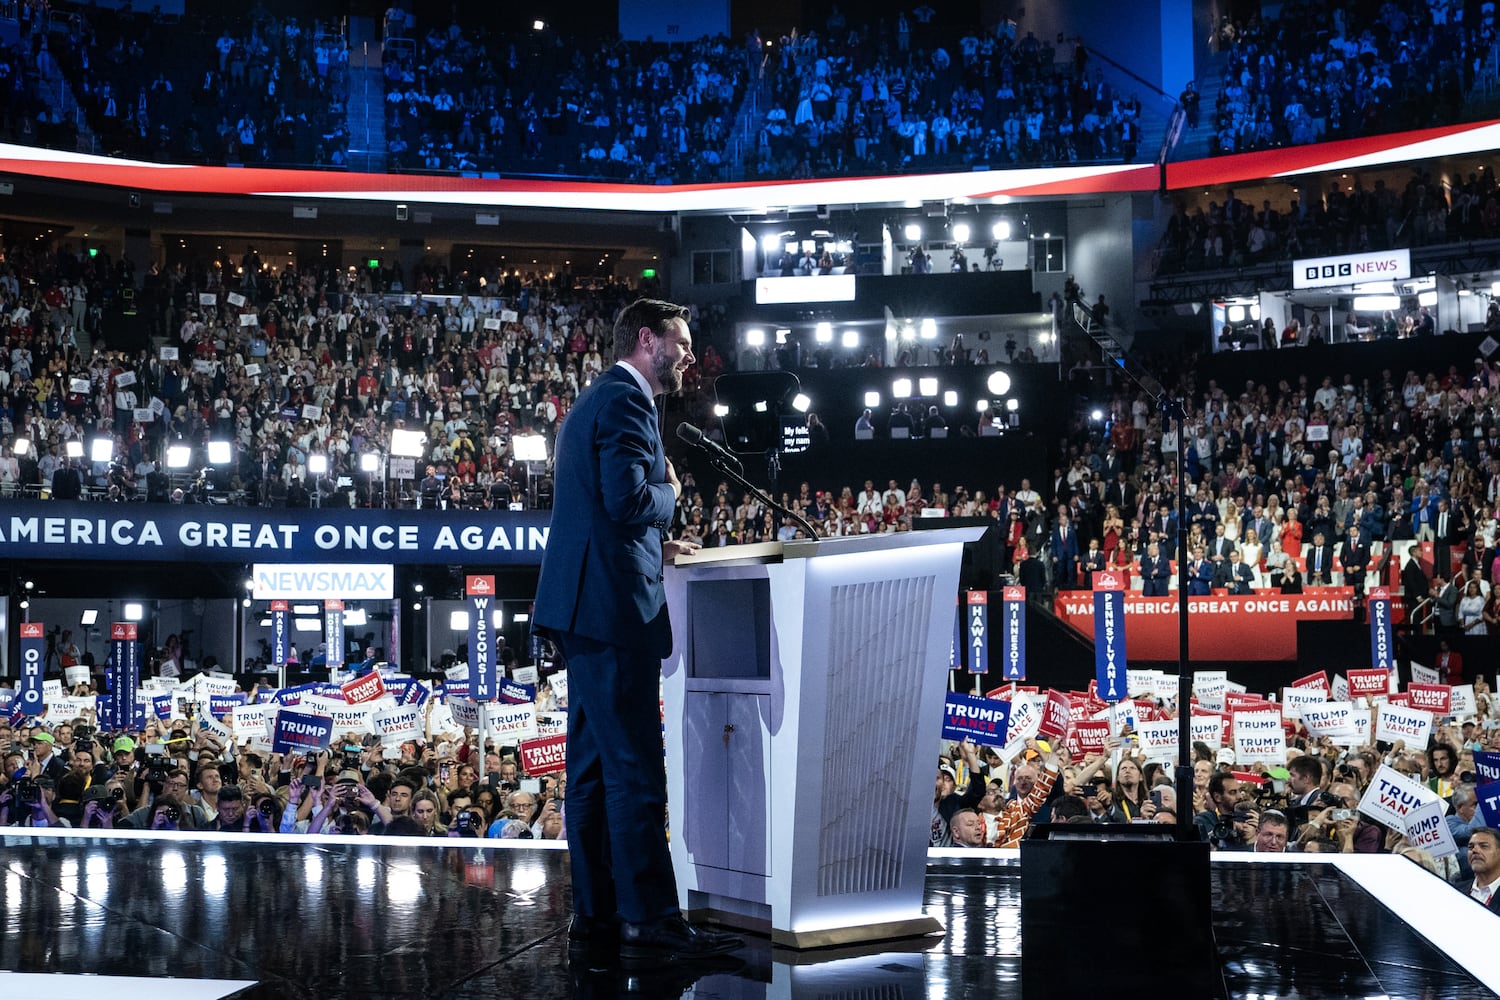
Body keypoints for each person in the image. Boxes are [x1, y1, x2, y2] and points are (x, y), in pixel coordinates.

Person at [533, 298, 741, 963]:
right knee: (635, 773)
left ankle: (596, 916)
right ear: (646, 339)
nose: (689, 356)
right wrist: (671, 495)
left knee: (593, 772)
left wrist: (657, 537)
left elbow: (608, 505)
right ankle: (651, 922)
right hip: (613, 610)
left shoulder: (597, 400)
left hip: (587, 607)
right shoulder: (625, 402)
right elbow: (626, 498)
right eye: (680, 342)